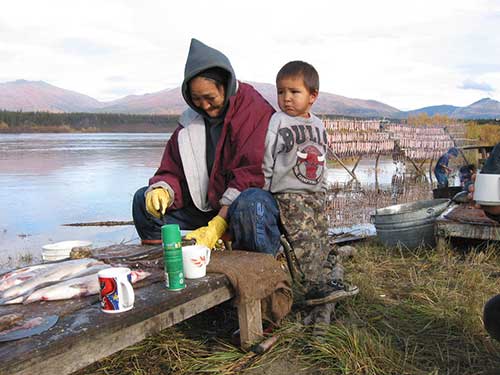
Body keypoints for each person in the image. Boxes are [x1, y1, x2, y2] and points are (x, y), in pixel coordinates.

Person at [132, 38, 281, 254]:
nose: (204, 105)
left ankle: (257, 269)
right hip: (209, 207)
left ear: (226, 86)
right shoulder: (189, 122)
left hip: (244, 206)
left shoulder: (254, 111)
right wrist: (163, 189)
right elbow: (173, 170)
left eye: (210, 97)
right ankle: (164, 261)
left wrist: (218, 225)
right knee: (142, 199)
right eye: (196, 99)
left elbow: (252, 175)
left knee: (252, 205)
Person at [263, 61, 358, 331]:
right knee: (303, 242)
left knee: (320, 237)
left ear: (312, 96)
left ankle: (322, 287)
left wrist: (324, 188)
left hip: (314, 194)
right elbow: (267, 156)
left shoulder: (318, 124)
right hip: (289, 194)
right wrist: (267, 187)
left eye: (294, 92)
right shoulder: (278, 121)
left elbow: (324, 159)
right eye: (281, 92)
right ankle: (317, 289)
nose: (286, 98)